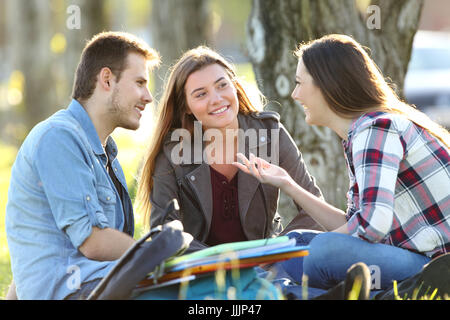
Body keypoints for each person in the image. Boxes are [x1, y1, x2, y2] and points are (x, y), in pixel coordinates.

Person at [234, 34, 450, 297]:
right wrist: (288, 185)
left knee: (321, 251)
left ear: (327, 85)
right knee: (295, 241)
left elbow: (370, 226)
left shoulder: (376, 128)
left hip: (435, 266)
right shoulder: (361, 133)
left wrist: (317, 246)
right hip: (411, 258)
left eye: (300, 83)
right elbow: (354, 223)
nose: (295, 94)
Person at [5, 31, 160, 299]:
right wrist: (154, 255)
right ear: (107, 79)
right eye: (139, 83)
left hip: (99, 286)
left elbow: (35, 258)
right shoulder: (58, 137)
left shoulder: (105, 154)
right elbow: (92, 241)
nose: (148, 96)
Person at [136, 46, 325, 251]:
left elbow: (314, 209)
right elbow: (164, 232)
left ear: (234, 86)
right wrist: (222, 264)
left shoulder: (270, 133)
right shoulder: (174, 152)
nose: (216, 99)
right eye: (201, 94)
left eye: (222, 85)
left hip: (268, 265)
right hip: (203, 270)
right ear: (186, 107)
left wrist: (273, 254)